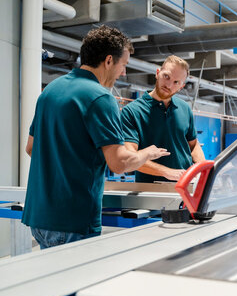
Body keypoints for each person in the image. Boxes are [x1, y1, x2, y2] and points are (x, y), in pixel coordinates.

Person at [22, 25, 170, 249]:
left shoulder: (50, 90)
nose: (123, 73)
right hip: (73, 219)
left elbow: (32, 148)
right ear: (109, 60)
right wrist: (148, 152)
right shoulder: (100, 98)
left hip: (39, 216)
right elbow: (120, 163)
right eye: (124, 65)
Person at [121, 55, 204, 183]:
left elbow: (193, 146)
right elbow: (130, 157)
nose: (169, 85)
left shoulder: (184, 108)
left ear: (181, 86)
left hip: (186, 186)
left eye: (176, 82)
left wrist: (204, 170)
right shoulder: (132, 111)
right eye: (167, 77)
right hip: (150, 191)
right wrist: (166, 172)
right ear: (158, 73)